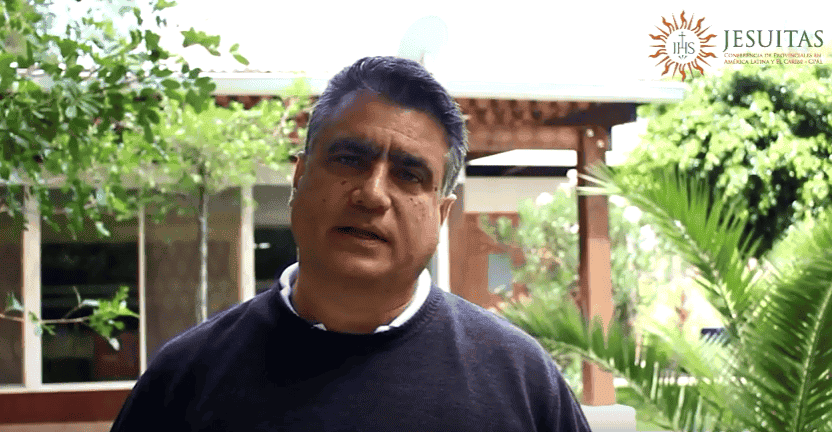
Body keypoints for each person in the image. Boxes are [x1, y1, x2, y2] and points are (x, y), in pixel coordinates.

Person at [110, 56, 592, 431]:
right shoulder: (185, 379)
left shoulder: (521, 382)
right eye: (349, 159)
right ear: (300, 177)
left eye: (409, 174)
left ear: (441, 214)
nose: (372, 194)